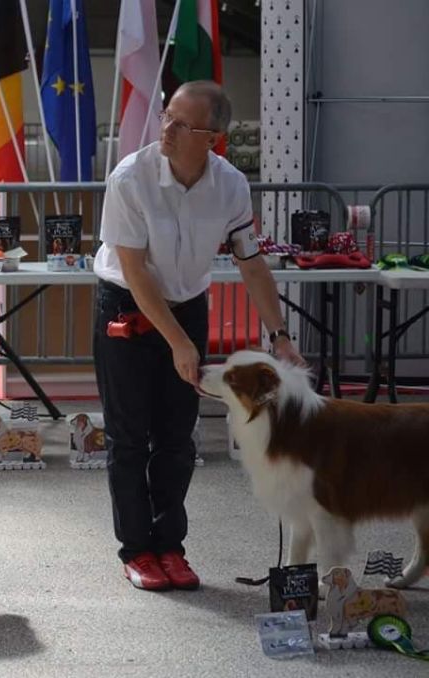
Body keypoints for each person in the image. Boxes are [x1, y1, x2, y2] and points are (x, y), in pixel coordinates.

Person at [92, 81, 305, 592]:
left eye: (182, 123)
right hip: (126, 304)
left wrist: (279, 335)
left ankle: (171, 547)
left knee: (177, 437)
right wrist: (178, 343)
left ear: (213, 138)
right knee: (128, 437)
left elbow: (251, 263)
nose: (167, 129)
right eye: (166, 116)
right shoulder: (130, 177)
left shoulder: (231, 185)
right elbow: (135, 271)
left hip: (188, 305)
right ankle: (136, 551)